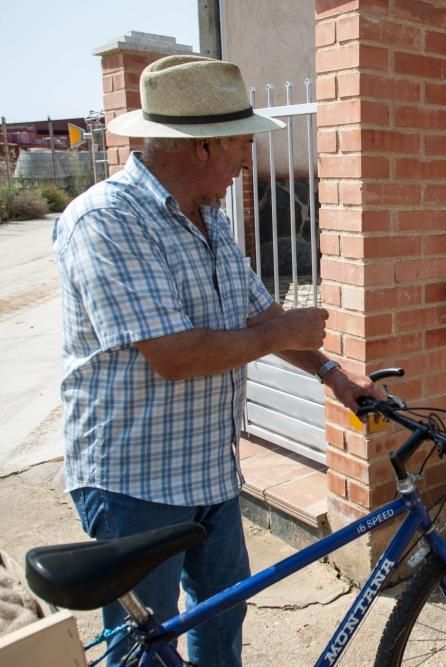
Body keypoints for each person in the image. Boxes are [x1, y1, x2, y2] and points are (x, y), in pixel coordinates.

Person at [53, 55, 375, 665]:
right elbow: (174, 355)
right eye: (240, 145)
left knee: (223, 614)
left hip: (209, 470)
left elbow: (259, 319)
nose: (248, 162)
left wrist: (337, 377)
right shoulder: (107, 221)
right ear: (201, 147)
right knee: (142, 645)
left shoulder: (211, 218)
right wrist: (283, 328)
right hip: (134, 480)